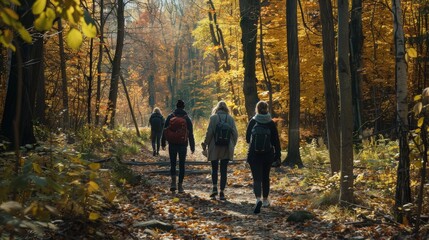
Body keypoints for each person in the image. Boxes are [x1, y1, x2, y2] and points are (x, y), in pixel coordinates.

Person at [245, 101, 281, 214]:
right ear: (267, 109)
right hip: (267, 155)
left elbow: (247, 138)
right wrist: (278, 155)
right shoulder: (270, 123)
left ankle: (257, 199)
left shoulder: (253, 121)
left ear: (257, 109)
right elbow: (276, 141)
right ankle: (265, 200)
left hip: (254, 154)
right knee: (266, 177)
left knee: (257, 178)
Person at [202, 101, 238, 200]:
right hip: (226, 147)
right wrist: (232, 144)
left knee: (214, 168)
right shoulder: (230, 119)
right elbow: (235, 134)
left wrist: (205, 143)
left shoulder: (213, 118)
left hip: (214, 146)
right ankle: (222, 192)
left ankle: (214, 188)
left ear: (217, 108)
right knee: (223, 170)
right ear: (226, 109)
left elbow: (209, 132)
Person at [162, 100, 195, 193]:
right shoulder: (187, 118)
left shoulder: (170, 116)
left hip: (172, 144)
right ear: (183, 107)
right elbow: (191, 134)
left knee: (172, 163)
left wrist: (163, 142)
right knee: (181, 165)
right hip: (182, 145)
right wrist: (192, 146)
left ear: (176, 106)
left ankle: (173, 183)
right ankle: (180, 186)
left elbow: (164, 130)